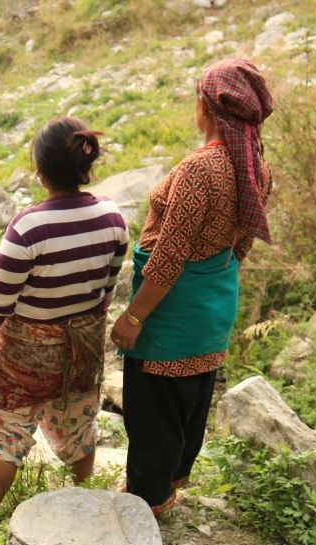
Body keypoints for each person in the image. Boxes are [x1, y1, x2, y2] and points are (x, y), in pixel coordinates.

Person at [0, 117, 128, 545]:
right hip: (83, 348)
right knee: (77, 420)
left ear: (40, 172)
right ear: (85, 164)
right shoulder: (112, 216)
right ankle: (82, 494)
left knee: (4, 435)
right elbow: (107, 289)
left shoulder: (29, 228)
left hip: (27, 355)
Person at [111, 58, 274, 514]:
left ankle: (148, 501)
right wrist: (209, 286)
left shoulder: (199, 172)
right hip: (211, 304)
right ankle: (170, 483)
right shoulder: (255, 169)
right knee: (190, 399)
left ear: (205, 105)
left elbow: (168, 257)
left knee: (152, 408)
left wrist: (134, 316)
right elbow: (242, 245)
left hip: (170, 310)